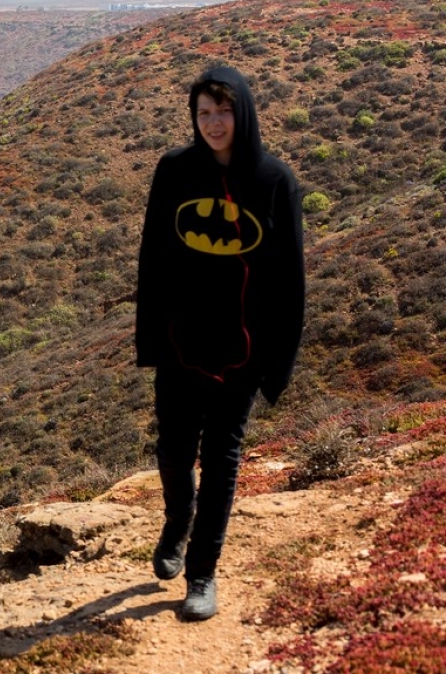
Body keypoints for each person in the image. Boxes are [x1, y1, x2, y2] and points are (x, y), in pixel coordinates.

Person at [135, 65, 305, 621]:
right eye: (203, 113)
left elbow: (290, 279)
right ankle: (177, 520)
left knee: (222, 458)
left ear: (245, 113)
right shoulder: (175, 171)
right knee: (174, 451)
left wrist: (277, 364)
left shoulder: (275, 182)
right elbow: (154, 259)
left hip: (243, 349)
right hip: (182, 342)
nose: (213, 123)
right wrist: (151, 337)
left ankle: (202, 573)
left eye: (223, 111)